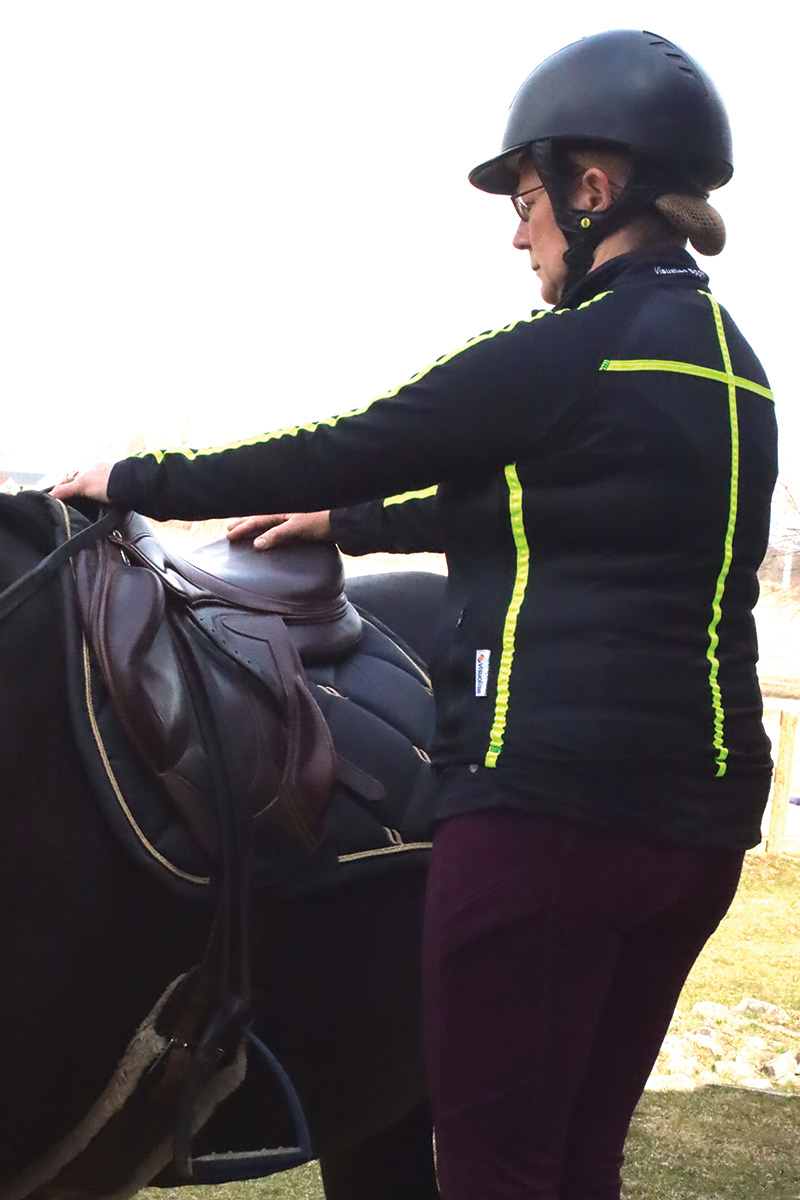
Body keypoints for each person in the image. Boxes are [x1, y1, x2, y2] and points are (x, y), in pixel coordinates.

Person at [53, 29, 777, 1200]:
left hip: (546, 815)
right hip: (695, 826)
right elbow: (540, 503)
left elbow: (351, 441)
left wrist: (136, 481)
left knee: (492, 1169)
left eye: (530, 198)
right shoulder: (732, 370)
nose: (517, 229)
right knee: (575, 1160)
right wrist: (349, 526)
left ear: (596, 193)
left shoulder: (561, 353)